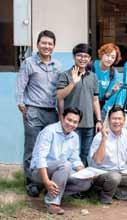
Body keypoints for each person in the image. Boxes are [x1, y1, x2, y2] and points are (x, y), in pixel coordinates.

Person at [16, 30, 62, 197]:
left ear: (54, 46)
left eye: (50, 44)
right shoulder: (29, 63)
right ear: (37, 44)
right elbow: (20, 85)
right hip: (33, 110)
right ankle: (32, 183)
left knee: (49, 149)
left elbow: (59, 90)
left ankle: (45, 181)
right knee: (32, 148)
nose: (47, 46)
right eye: (44, 43)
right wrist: (21, 104)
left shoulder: (57, 65)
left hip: (51, 112)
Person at [29, 107, 91, 215]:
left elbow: (74, 158)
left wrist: (84, 172)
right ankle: (52, 203)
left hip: (61, 171)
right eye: (69, 120)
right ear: (62, 117)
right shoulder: (49, 131)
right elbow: (40, 158)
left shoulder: (74, 136)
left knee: (86, 182)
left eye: (75, 122)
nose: (71, 124)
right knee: (65, 164)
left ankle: (51, 192)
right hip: (39, 172)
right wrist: (46, 181)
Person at [57, 43, 102, 166]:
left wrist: (98, 120)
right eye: (79, 55)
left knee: (84, 154)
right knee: (70, 155)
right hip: (71, 124)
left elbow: (95, 100)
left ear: (90, 59)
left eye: (86, 56)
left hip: (89, 124)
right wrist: (73, 82)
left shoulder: (93, 77)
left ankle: (82, 181)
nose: (82, 59)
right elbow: (60, 96)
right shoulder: (65, 75)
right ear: (74, 57)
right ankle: (68, 180)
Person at [89, 106, 127, 204]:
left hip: (122, 173)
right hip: (102, 174)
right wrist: (104, 139)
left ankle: (116, 192)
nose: (117, 122)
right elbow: (97, 160)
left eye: (119, 119)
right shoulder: (100, 136)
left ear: (124, 120)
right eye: (114, 118)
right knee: (114, 177)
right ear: (109, 120)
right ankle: (105, 198)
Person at [92, 43, 122, 107]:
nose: (109, 59)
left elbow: (106, 96)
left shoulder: (114, 73)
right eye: (107, 55)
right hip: (87, 102)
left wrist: (113, 91)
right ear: (102, 54)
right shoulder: (91, 67)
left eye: (113, 57)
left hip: (100, 104)